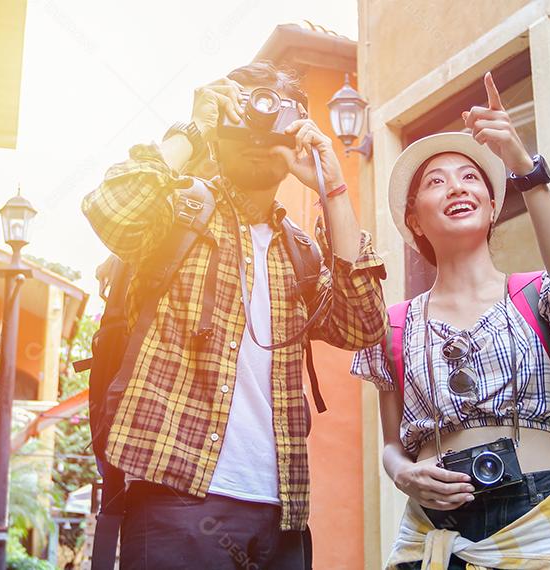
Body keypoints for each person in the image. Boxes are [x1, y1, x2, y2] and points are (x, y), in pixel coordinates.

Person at [81, 61, 387, 569]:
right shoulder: (174, 214)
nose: (257, 127)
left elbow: (364, 325)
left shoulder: (302, 252)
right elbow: (112, 206)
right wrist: (193, 129)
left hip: (282, 511)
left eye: (274, 111)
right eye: (240, 111)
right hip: (174, 496)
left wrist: (332, 188)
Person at [351, 72, 550, 569]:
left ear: (493, 207)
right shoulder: (392, 325)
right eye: (436, 181)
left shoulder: (535, 295)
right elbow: (391, 444)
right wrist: (402, 474)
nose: (457, 186)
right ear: (414, 219)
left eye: (470, 176)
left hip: (539, 521)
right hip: (435, 531)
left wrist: (523, 167)